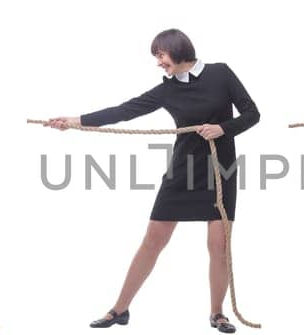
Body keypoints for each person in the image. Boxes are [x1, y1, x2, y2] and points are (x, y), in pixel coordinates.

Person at [44, 28, 260, 334]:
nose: (159, 63)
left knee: (219, 246)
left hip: (219, 170)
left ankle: (217, 313)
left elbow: (253, 114)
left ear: (177, 49)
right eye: (156, 57)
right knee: (153, 241)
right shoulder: (167, 89)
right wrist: (74, 122)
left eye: (161, 55)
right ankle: (119, 309)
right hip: (182, 171)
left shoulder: (221, 73)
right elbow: (123, 111)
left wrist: (222, 129)